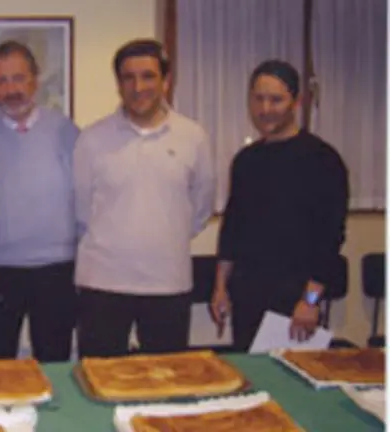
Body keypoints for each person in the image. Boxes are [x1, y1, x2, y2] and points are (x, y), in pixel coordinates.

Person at [74, 39, 215, 358]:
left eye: (148, 76)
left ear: (166, 81)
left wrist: (163, 235)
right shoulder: (92, 139)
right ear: (119, 84)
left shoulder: (193, 137)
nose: (138, 87)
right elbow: (82, 211)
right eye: (128, 77)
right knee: (99, 381)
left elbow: (200, 209)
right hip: (103, 284)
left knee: (166, 384)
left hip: (168, 283)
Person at [210, 60, 349, 352]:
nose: (265, 109)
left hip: (297, 301)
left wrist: (310, 300)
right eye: (258, 99)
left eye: (276, 99)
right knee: (254, 385)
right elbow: (232, 229)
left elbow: (330, 239)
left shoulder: (323, 160)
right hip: (247, 295)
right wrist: (221, 287)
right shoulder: (246, 160)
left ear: (296, 102)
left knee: (293, 388)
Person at [0, 41, 79, 362]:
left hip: (57, 270)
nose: (11, 89)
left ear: (35, 79)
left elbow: (87, 201)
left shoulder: (67, 132)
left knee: (55, 359)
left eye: (18, 78)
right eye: (1, 81)